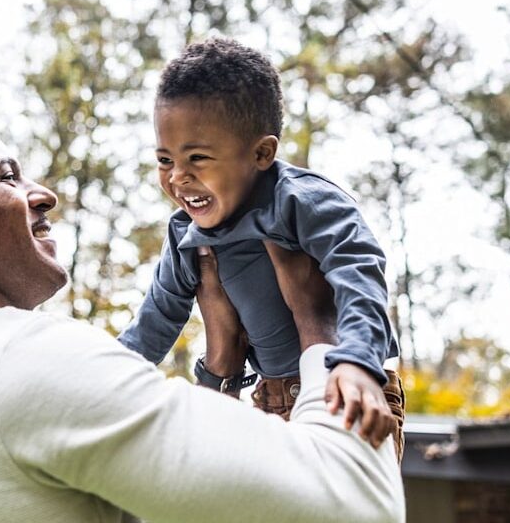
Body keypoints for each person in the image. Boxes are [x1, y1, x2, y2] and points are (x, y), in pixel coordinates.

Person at [0, 118, 405, 522]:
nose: (44, 195)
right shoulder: (29, 360)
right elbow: (355, 508)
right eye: (8, 178)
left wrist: (220, 375)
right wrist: (318, 327)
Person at [117, 38, 404, 455]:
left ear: (261, 153)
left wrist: (357, 361)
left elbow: (359, 275)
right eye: (165, 160)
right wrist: (103, 382)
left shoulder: (301, 202)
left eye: (197, 158)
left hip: (345, 385)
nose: (177, 177)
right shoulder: (185, 236)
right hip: (268, 400)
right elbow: (153, 323)